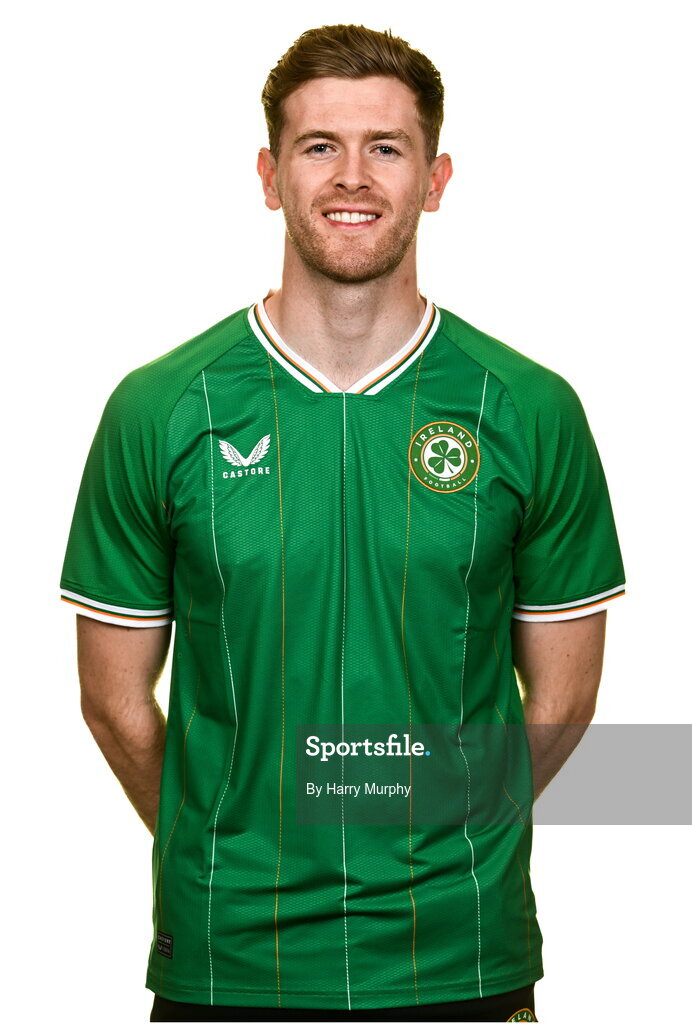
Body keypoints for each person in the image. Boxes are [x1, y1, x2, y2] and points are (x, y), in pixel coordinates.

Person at [60, 24, 625, 1024]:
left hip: (461, 952)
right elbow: (114, 703)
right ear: (270, 175)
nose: (350, 176)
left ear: (436, 178)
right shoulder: (161, 408)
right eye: (319, 145)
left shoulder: (528, 410)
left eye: (386, 146)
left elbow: (565, 698)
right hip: (227, 960)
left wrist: (443, 832)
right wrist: (228, 836)